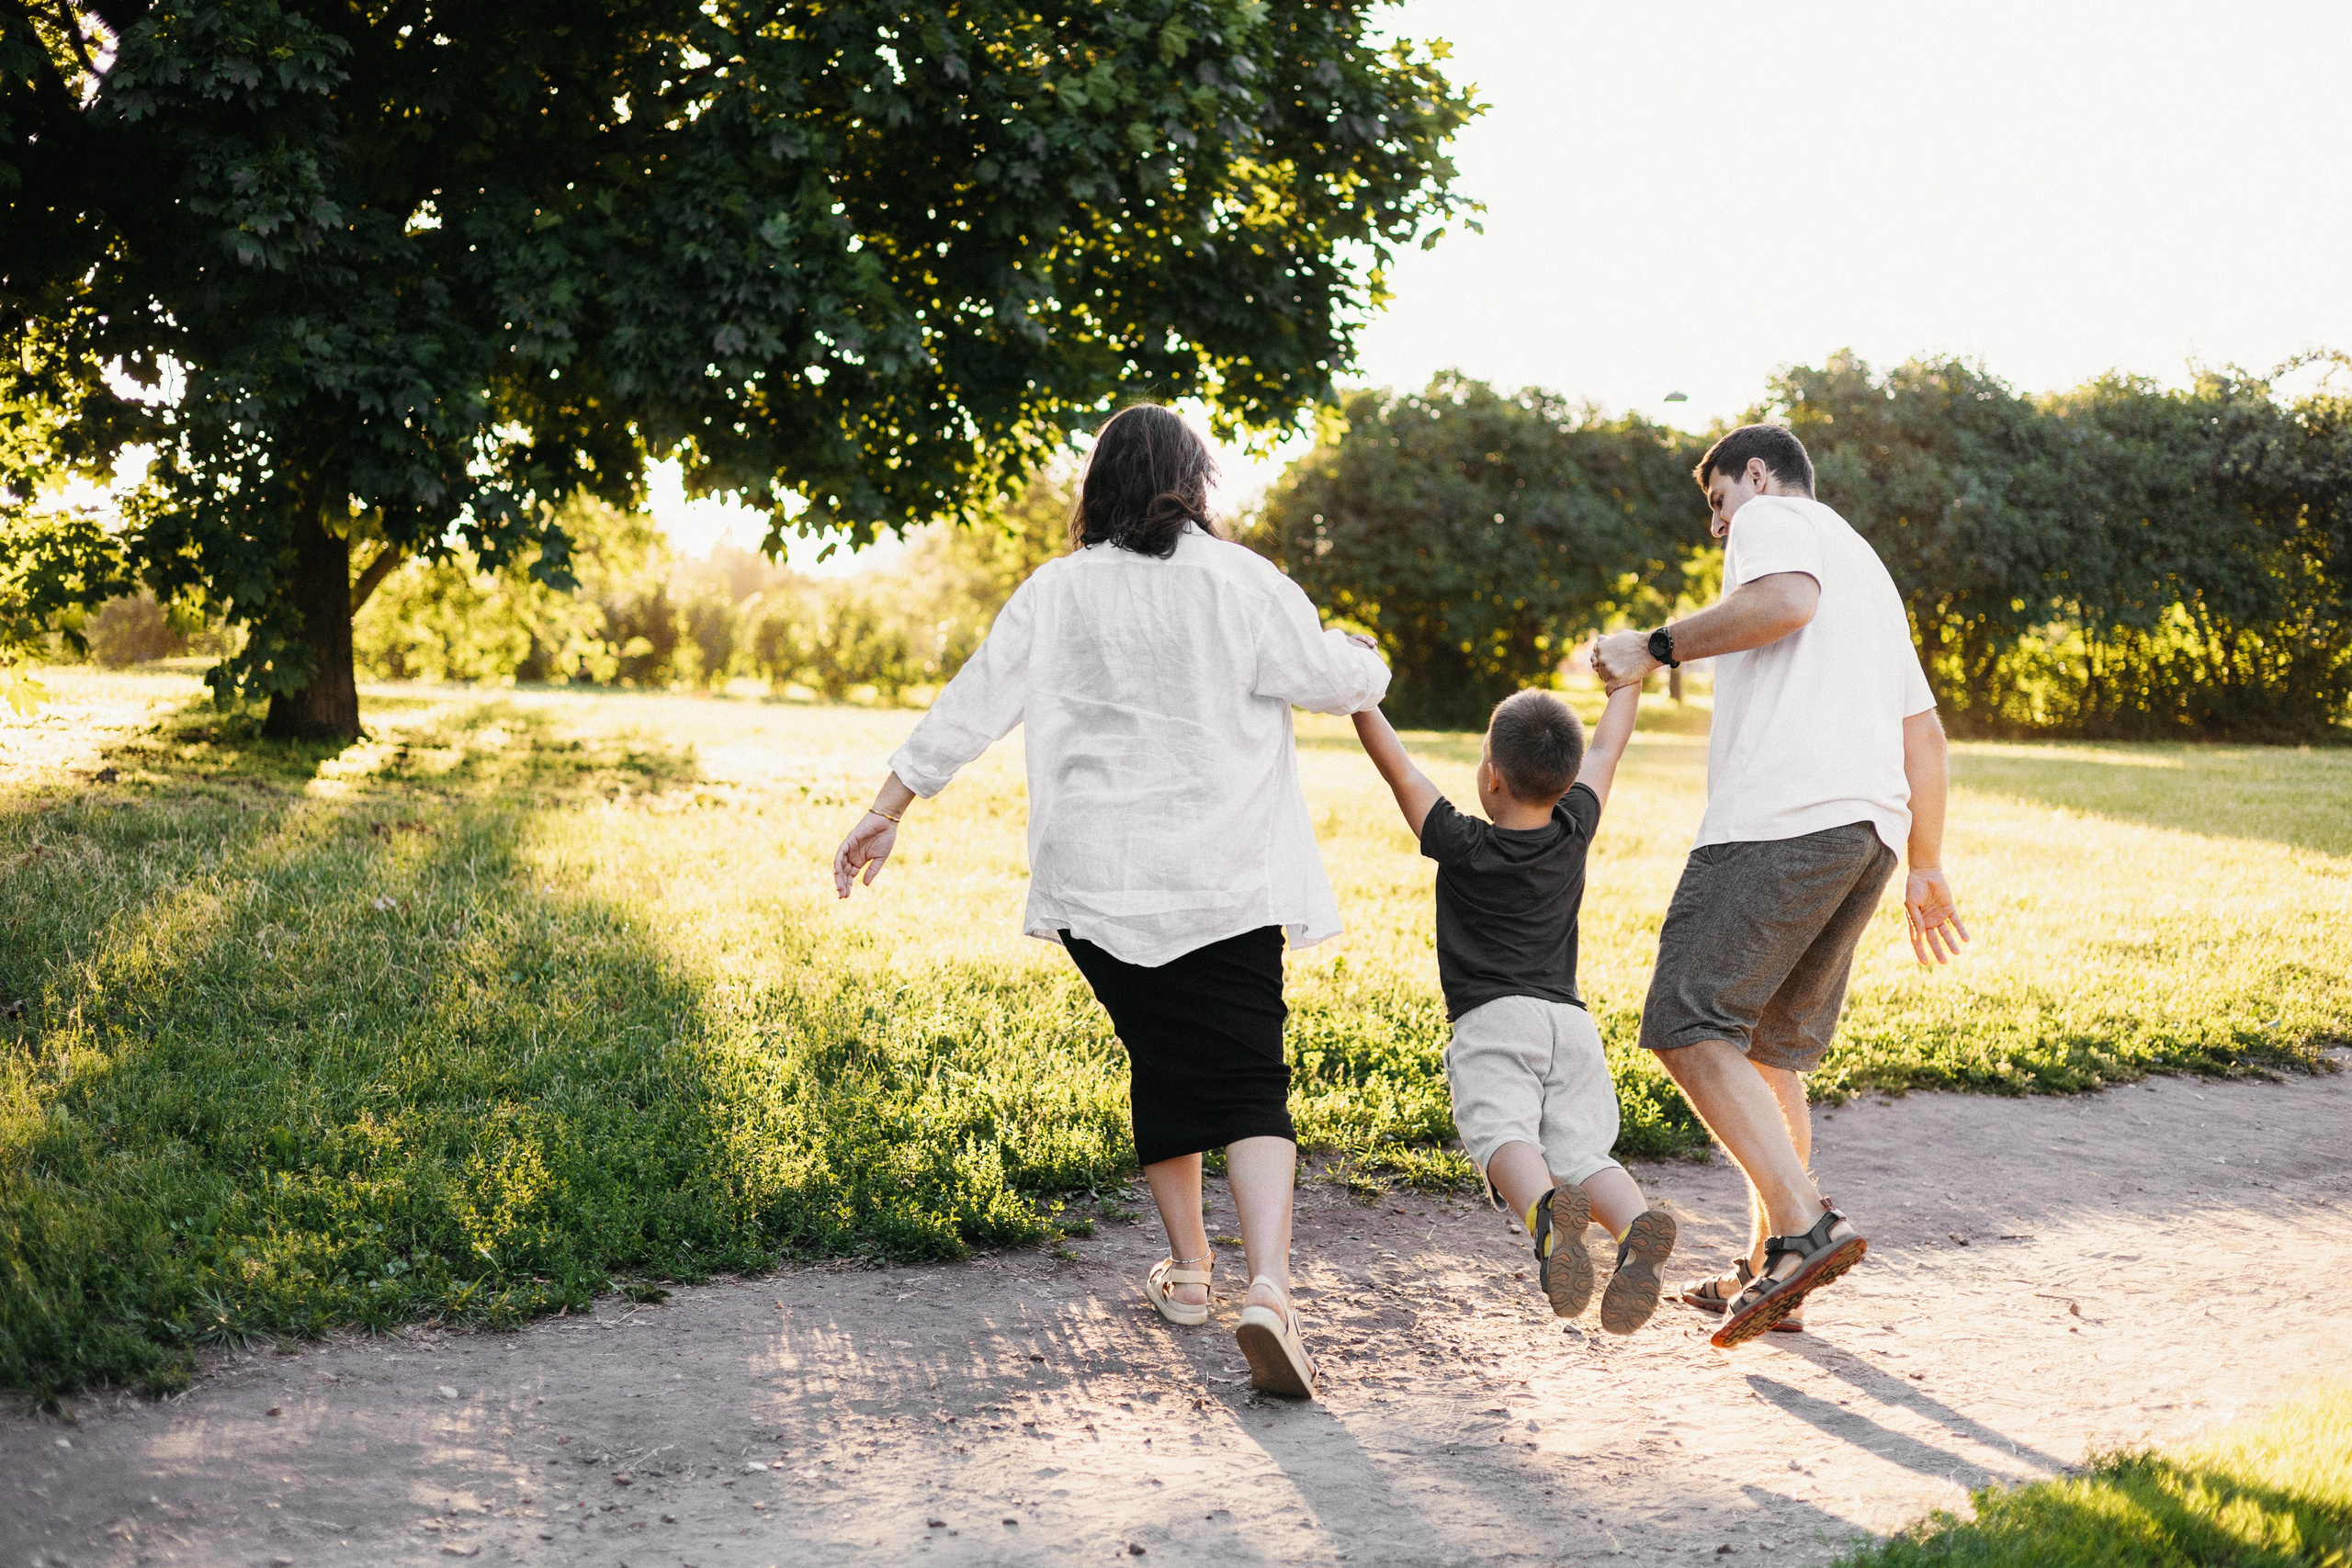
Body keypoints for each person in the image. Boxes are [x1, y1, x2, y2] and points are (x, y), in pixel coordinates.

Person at [830, 403, 1388, 1399]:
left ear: (1098, 487)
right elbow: (1331, 677)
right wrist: (1365, 654)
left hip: (1101, 883)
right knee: (1251, 1078)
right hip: (1225, 875)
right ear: (1195, 481)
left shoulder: (1059, 591)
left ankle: (1188, 1275)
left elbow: (973, 700)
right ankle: (1266, 1287)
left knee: (1163, 1060)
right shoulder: (1241, 581)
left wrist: (889, 807)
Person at [1591, 423, 1967, 1349]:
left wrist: (1654, 646)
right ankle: (1773, 1269)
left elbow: (1785, 603)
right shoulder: (1868, 569)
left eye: (1718, 502)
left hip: (1783, 820)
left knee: (1686, 1018)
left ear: (1754, 475)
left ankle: (1804, 1227)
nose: (1720, 527)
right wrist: (1923, 859)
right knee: (1766, 1054)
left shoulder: (1777, 520)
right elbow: (1924, 734)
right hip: (1865, 835)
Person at [1350, 682, 1679, 1334]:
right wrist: (1628, 681)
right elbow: (1610, 746)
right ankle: (1637, 1226)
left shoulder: (1463, 841)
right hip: (1570, 1024)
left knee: (1503, 1133)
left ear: (1492, 776)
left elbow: (1400, 771)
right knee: (1585, 1154)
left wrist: (1359, 694)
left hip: (1494, 1020)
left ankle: (1547, 1216)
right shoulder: (1574, 825)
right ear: (1565, 778)